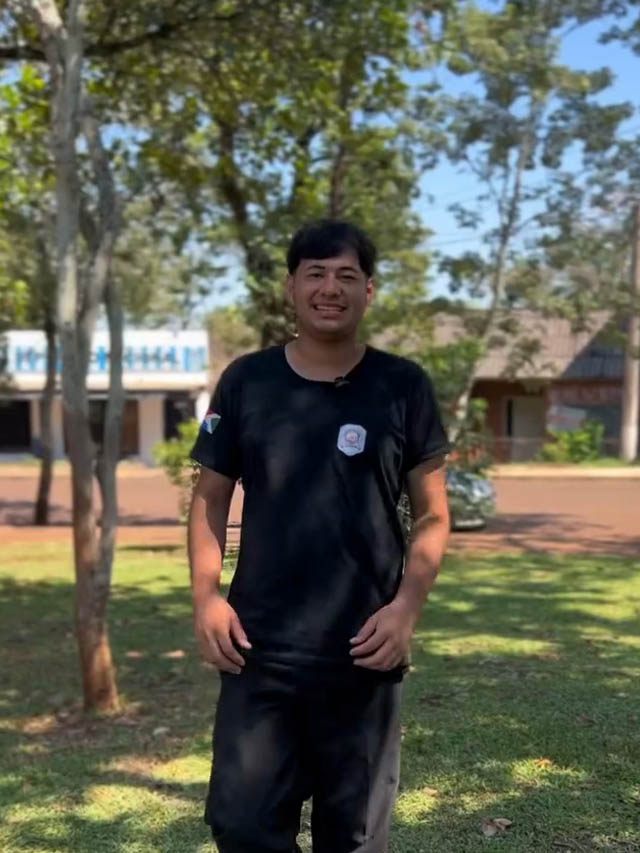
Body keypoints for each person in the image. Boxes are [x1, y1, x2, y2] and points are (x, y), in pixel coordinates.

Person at [188, 220, 450, 853]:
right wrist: (206, 598)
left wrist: (406, 610)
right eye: (316, 274)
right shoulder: (247, 381)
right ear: (291, 286)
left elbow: (433, 515)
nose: (330, 288)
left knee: (354, 838)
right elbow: (210, 497)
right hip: (258, 646)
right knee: (242, 825)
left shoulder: (403, 385)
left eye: (346, 276)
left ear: (369, 290)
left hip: (365, 649)